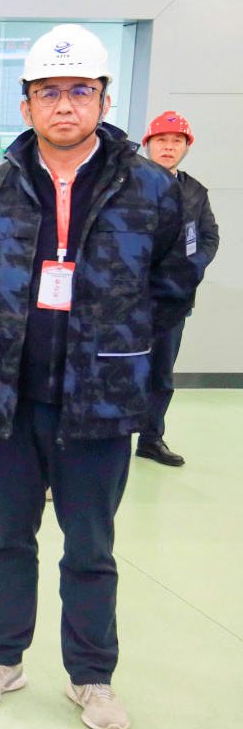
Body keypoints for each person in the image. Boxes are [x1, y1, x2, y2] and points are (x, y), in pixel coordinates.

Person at [0, 25, 198, 729]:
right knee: (8, 535)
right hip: (9, 396)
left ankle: (92, 676)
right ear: (26, 104)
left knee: (90, 546)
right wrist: (11, 332)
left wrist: (117, 338)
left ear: (104, 100)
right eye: (49, 92)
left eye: (80, 91)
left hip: (101, 400)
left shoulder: (149, 188)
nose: (65, 105)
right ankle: (2, 657)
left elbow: (175, 283)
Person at [136, 110, 219, 467]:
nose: (168, 147)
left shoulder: (195, 191)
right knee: (114, 369)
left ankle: (151, 439)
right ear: (148, 145)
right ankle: (106, 439)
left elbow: (209, 237)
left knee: (161, 374)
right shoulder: (127, 183)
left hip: (173, 299)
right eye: (161, 140)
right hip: (129, 300)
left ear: (186, 147)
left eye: (176, 141)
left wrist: (191, 269)